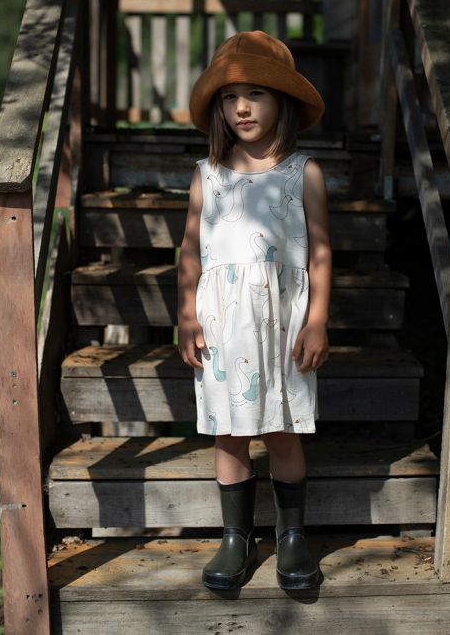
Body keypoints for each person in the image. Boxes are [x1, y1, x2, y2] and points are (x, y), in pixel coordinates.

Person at [177, 30, 332, 590]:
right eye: (229, 97)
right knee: (229, 434)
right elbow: (190, 250)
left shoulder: (302, 172)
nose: (241, 107)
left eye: (256, 94)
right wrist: (186, 315)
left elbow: (319, 252)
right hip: (224, 328)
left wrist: (317, 320)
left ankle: (291, 538)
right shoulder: (207, 175)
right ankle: (235, 538)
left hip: (283, 325)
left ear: (281, 101)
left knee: (283, 432)